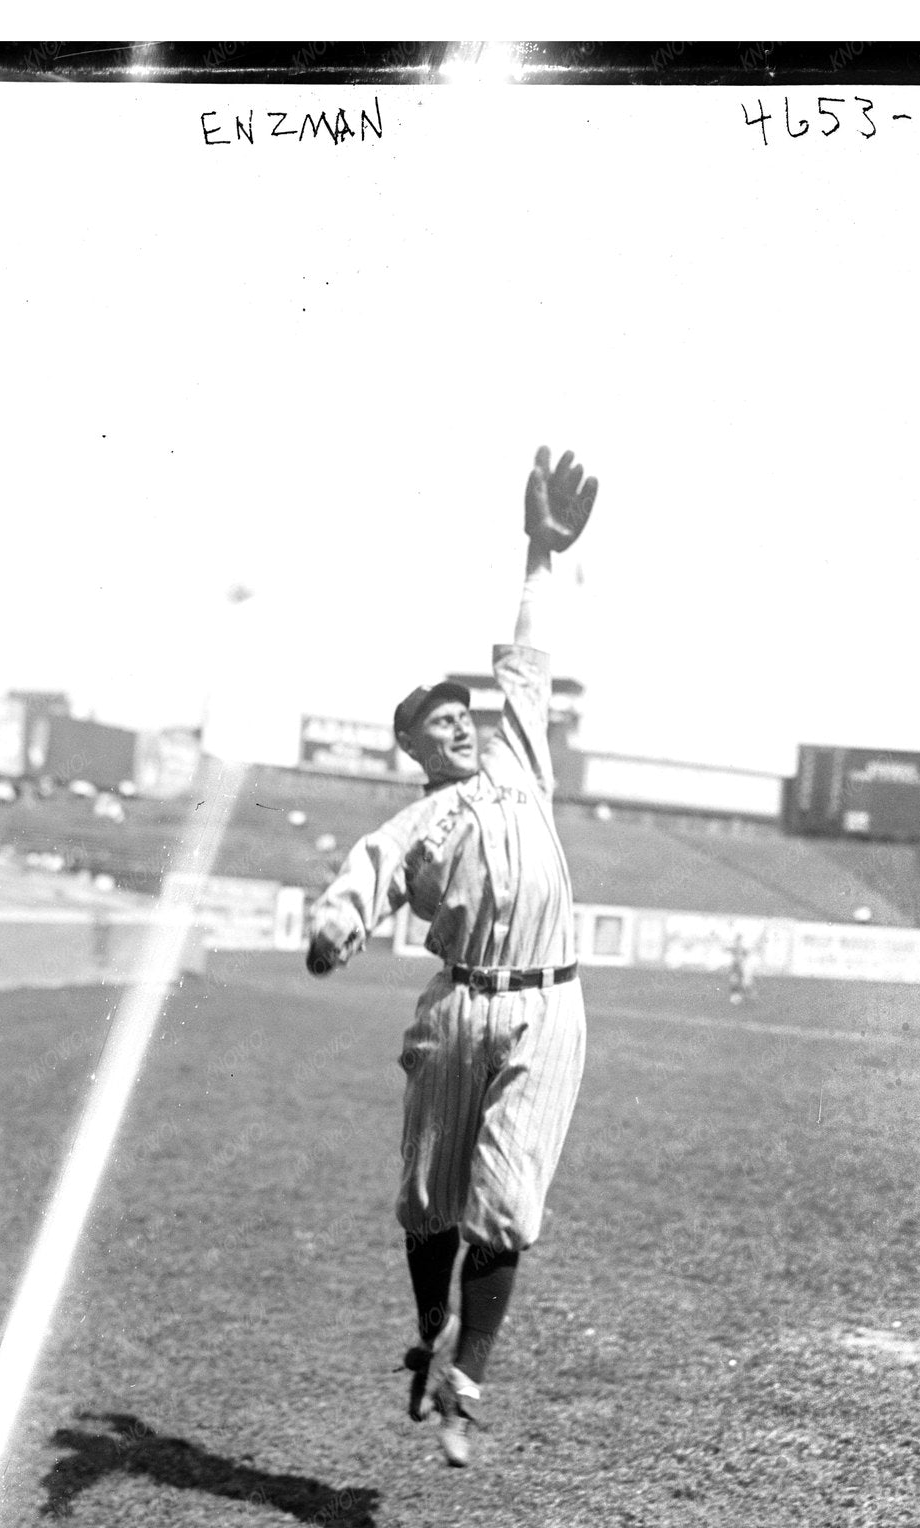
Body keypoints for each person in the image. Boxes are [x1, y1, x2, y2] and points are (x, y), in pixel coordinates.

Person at [305, 447, 598, 1467]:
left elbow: (529, 651)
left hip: (547, 1005)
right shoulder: (418, 820)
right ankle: (430, 1331)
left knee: (509, 1202)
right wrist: (336, 928)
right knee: (430, 1200)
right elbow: (363, 877)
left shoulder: (520, 758)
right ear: (415, 747)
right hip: (457, 1009)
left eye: (460, 714)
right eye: (438, 723)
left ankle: (466, 1376)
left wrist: (538, 551)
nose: (458, 726)